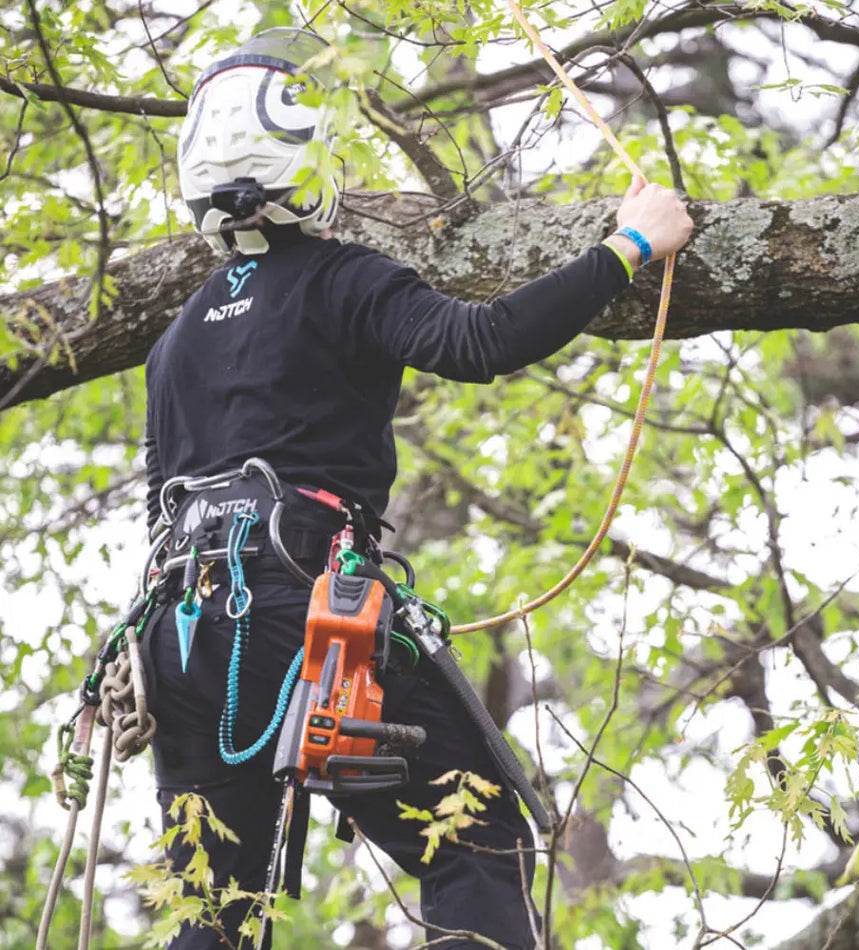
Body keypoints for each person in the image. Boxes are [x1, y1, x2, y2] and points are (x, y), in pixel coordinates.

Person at [141, 26, 693, 950]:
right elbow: (477, 344)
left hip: (178, 631)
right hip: (301, 604)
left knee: (223, 905)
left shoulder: (177, 338)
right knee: (475, 839)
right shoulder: (341, 278)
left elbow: (159, 500)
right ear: (309, 158)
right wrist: (630, 243)